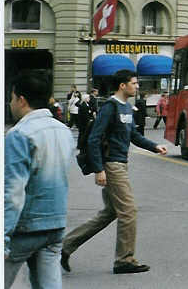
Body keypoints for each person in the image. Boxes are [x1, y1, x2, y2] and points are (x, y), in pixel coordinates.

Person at [61, 70, 168, 275]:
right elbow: (94, 139)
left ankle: (65, 246)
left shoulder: (126, 108)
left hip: (120, 163)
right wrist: (99, 169)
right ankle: (124, 260)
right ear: (122, 85)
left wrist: (155, 146)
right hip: (112, 166)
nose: (137, 87)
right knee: (128, 211)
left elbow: (134, 135)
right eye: (134, 83)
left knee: (110, 212)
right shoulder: (109, 108)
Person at [5, 73, 76, 289]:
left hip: (25, 228)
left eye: (11, 97)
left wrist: (3, 236)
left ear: (22, 100)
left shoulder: (19, 134)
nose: (10, 103)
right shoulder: (63, 131)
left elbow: (12, 191)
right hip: (55, 225)